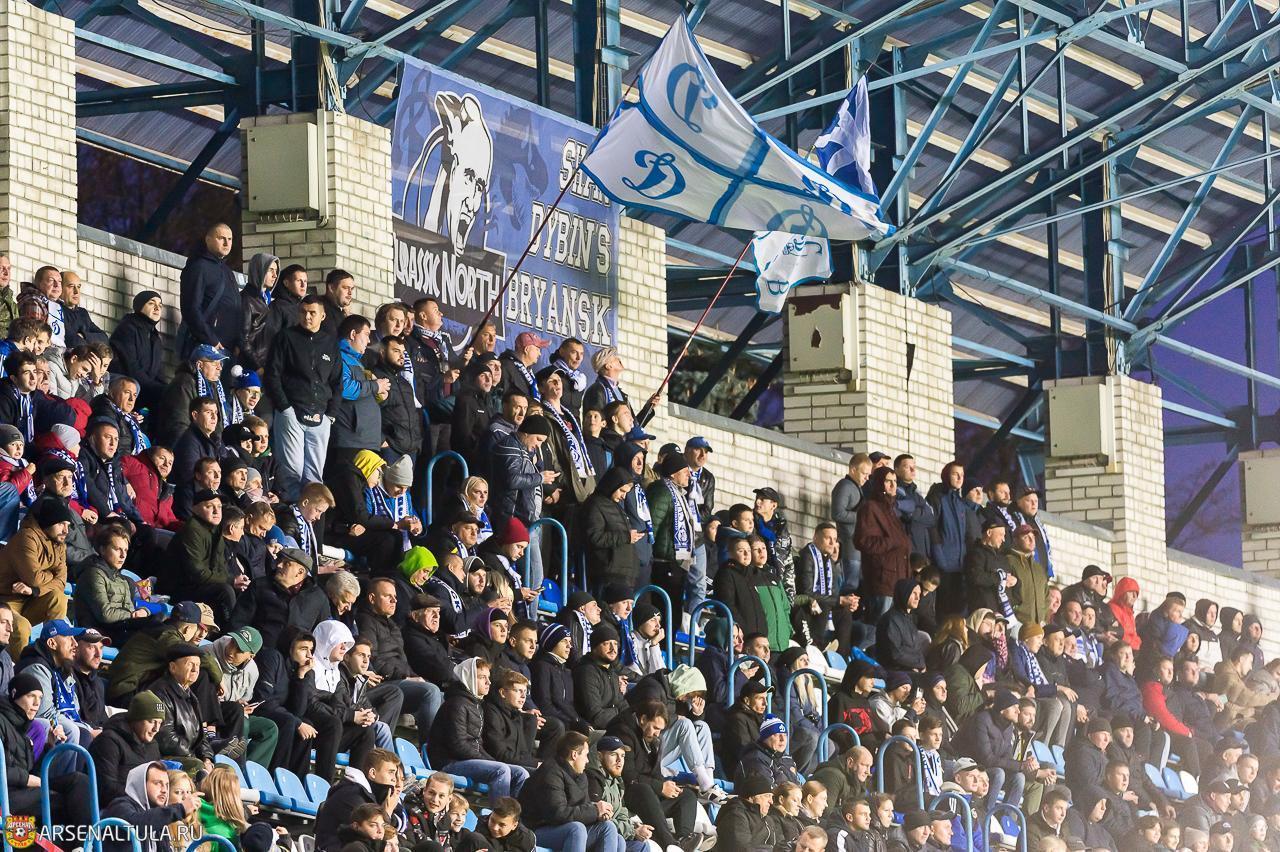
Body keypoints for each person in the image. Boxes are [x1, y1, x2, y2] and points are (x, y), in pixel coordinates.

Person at [1, 672, 94, 838]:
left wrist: (49, 746)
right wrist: (26, 779)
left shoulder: (22, 727)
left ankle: (82, 846)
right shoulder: (2, 721)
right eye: (31, 696)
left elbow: (35, 773)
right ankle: (77, 843)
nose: (37, 703)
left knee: (79, 781)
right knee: (62, 802)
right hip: (7, 795)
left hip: (22, 790)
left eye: (40, 697)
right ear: (15, 694)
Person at [265, 294, 339, 501]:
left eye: (312, 313)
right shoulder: (285, 337)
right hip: (291, 413)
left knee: (315, 478)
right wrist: (284, 407)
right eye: (303, 312)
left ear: (322, 316)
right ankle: (291, 515)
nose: (307, 317)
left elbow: (337, 382)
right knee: (291, 473)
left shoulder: (330, 343)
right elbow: (272, 374)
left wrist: (330, 415)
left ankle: (312, 518)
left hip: (321, 417)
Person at [429, 656, 529, 802]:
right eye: (482, 677)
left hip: (466, 760)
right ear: (468, 678)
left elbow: (477, 744)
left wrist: (491, 761)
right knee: (501, 770)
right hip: (449, 763)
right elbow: (458, 746)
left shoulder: (476, 705)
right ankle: (500, 813)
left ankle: (513, 815)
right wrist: (491, 762)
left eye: (488, 677)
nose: (488, 682)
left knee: (521, 773)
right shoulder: (456, 704)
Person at [519, 731, 623, 852]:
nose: (587, 760)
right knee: (576, 829)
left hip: (562, 828)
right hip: (535, 830)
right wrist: (595, 811)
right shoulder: (550, 773)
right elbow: (558, 814)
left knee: (610, 829)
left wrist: (599, 814)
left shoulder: (581, 775)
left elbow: (583, 807)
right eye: (585, 755)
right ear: (574, 755)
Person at [0, 497, 73, 654]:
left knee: (59, 598)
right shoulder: (26, 537)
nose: (66, 530)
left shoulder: (59, 544)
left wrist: (35, 591)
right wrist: (51, 575)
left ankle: (53, 656)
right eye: (61, 524)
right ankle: (22, 667)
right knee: (21, 627)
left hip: (30, 598)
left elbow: (61, 582)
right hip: (5, 601)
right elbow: (34, 578)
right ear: (48, 522)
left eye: (68, 525)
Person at [102, 760, 199, 852]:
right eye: (157, 783)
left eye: (166, 785)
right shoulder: (119, 806)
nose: (164, 790)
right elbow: (136, 825)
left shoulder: (157, 818)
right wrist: (180, 809)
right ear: (141, 784)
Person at [855, 467, 912, 622]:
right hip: (883, 581)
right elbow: (863, 541)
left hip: (898, 583)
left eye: (895, 481)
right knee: (880, 626)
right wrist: (892, 541)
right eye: (888, 481)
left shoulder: (891, 510)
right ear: (880, 483)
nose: (893, 485)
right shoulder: (870, 508)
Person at [110, 291, 166, 409]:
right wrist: (156, 388)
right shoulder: (127, 329)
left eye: (160, 305)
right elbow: (131, 367)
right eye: (151, 303)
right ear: (140, 307)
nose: (157, 308)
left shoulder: (155, 337)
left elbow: (159, 372)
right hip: (128, 387)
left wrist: (169, 389)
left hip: (146, 387)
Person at [831, 453, 872, 594]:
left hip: (856, 544)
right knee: (850, 584)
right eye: (864, 474)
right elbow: (837, 513)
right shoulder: (845, 486)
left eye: (868, 475)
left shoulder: (854, 487)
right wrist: (863, 517)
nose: (867, 478)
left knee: (855, 584)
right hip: (848, 543)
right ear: (853, 470)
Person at [716, 774, 776, 852]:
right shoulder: (735, 815)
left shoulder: (767, 819)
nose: (771, 801)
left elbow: (777, 846)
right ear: (751, 797)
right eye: (767, 796)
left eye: (771, 797)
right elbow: (741, 849)